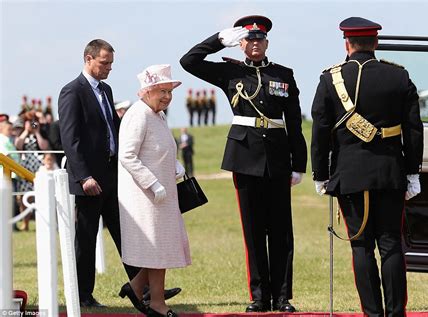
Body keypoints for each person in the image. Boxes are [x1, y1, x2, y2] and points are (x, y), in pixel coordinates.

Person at [180, 15, 307, 313]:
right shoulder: (228, 72)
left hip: (277, 158)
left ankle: (282, 297)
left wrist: (298, 164)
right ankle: (259, 296)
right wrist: (216, 39)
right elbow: (189, 61)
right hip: (245, 156)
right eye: (248, 40)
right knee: (253, 231)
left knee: (281, 231)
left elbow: (295, 123)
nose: (254, 44)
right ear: (241, 44)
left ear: (267, 42)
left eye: (259, 39)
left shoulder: (283, 74)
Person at [310, 17, 424, 317]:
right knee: (391, 245)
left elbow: (320, 131)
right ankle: (396, 313)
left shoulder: (329, 79)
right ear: (376, 43)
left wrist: (321, 174)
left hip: (350, 175)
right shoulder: (398, 76)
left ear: (347, 43)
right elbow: (414, 129)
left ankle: (372, 314)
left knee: (361, 247)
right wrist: (413, 172)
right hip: (390, 172)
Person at [58, 39, 180, 308]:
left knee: (129, 233)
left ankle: (143, 288)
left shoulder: (106, 90)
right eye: (104, 63)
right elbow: (70, 138)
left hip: (114, 176)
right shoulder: (72, 92)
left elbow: (116, 129)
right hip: (90, 179)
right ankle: (83, 294)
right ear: (88, 59)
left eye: (111, 63)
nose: (109, 69)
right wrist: (83, 176)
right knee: (87, 238)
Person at [118, 64, 191, 317]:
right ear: (146, 91)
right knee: (158, 249)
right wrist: (153, 183)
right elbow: (127, 155)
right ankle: (157, 303)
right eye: (162, 91)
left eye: (170, 91)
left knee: (160, 248)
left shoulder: (156, 114)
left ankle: (136, 288)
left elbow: (158, 147)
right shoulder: (138, 114)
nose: (167, 97)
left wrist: (175, 164)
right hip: (146, 195)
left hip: (161, 194)